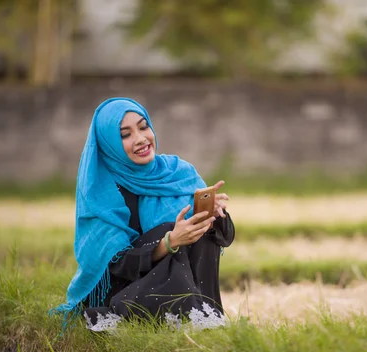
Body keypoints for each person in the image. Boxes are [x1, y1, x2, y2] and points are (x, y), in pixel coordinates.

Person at [50, 97, 235, 332]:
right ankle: (126, 313)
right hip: (127, 287)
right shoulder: (104, 192)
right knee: (170, 230)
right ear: (109, 144)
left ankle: (202, 315)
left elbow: (222, 240)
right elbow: (115, 265)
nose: (140, 139)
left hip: (183, 283)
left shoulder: (178, 173)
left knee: (200, 234)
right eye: (125, 135)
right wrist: (169, 242)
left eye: (143, 126)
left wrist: (215, 216)